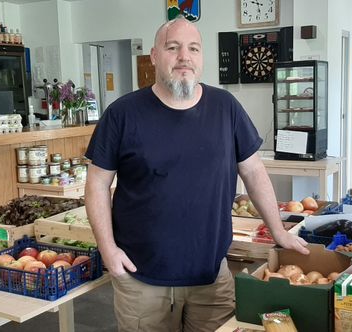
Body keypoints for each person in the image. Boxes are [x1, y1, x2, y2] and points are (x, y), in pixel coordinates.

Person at [84, 17, 310, 332]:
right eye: (172, 47)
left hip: (211, 278)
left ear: (202, 57)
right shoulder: (123, 114)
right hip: (140, 278)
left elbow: (254, 171)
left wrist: (279, 231)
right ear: (153, 56)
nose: (184, 57)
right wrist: (108, 249)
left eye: (193, 48)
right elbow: (96, 183)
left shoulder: (226, 108)